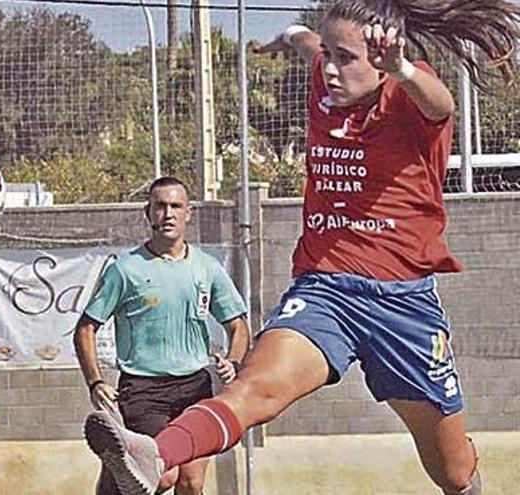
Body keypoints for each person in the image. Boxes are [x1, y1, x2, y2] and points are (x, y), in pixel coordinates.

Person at [83, 0, 520, 494]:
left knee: (455, 472)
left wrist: (399, 66)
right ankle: (153, 451)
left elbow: (442, 103)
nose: (331, 68)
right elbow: (308, 44)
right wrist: (289, 34)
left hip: (403, 305)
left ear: (381, 58)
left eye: (347, 57)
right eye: (328, 54)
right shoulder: (323, 77)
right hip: (326, 290)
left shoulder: (407, 95)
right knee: (253, 390)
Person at [74, 176, 250, 495]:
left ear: (188, 213)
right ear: (148, 212)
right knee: (162, 477)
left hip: (196, 387)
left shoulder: (207, 268)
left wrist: (234, 361)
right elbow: (86, 328)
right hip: (143, 390)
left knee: (191, 483)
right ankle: (115, 478)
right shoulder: (125, 269)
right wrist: (95, 382)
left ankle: (116, 472)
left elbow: (238, 325)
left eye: (175, 206)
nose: (168, 213)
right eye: (160, 206)